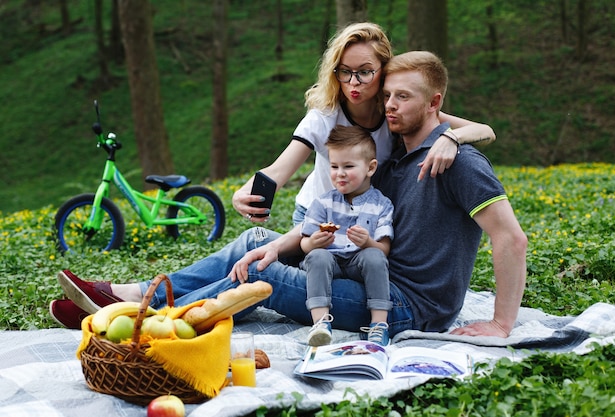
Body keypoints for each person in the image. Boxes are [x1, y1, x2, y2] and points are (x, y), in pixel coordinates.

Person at [51, 50, 527, 343]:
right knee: (258, 241)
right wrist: (280, 242)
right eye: (387, 96)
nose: (389, 106)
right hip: (363, 270)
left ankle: (149, 323)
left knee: (265, 277)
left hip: (408, 306)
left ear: (436, 104)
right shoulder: (395, 157)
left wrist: (502, 325)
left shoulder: (458, 161)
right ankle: (131, 296)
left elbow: (511, 238)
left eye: (403, 97)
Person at [231, 22, 496, 225]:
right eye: (345, 71)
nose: (354, 82)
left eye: (365, 72)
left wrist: (451, 138)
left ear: (384, 70)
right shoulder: (324, 116)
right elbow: (279, 170)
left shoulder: (395, 112)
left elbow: (485, 132)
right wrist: (242, 193)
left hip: (368, 220)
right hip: (316, 216)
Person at [300, 125, 394, 346]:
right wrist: (313, 242)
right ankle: (321, 324)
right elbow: (304, 243)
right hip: (330, 261)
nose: (339, 173)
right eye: (334, 166)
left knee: (375, 256)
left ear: (370, 168)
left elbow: (385, 249)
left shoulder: (381, 204)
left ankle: (379, 324)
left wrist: (368, 242)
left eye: (348, 166)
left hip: (358, 263)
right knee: (316, 256)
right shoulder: (323, 203)